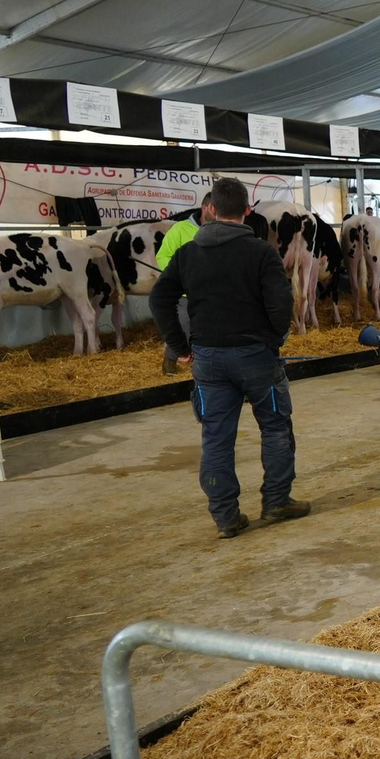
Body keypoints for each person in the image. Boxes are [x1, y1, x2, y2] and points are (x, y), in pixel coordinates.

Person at [149, 177, 307, 539]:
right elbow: (282, 303)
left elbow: (160, 300)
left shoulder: (188, 254)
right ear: (247, 212)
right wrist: (273, 340)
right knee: (276, 427)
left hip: (208, 361)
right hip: (256, 358)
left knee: (217, 438)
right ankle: (277, 502)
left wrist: (181, 346)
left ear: (210, 210)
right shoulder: (261, 253)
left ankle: (226, 517)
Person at [157, 192, 213, 374]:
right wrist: (181, 275)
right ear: (205, 208)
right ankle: (170, 361)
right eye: (214, 209)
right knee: (184, 326)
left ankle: (204, 365)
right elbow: (163, 255)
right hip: (185, 292)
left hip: (212, 291)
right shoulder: (180, 229)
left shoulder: (218, 230)